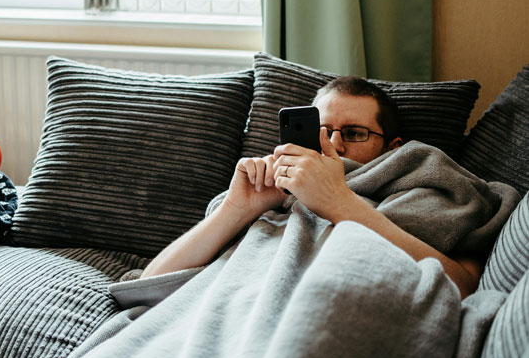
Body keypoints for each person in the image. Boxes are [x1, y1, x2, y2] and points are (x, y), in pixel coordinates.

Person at [141, 76, 483, 299]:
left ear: (392, 148)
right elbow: (148, 283)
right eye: (322, 131)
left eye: (354, 133)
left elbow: (463, 285)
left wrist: (338, 202)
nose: (334, 144)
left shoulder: (422, 182)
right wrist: (237, 210)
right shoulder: (268, 193)